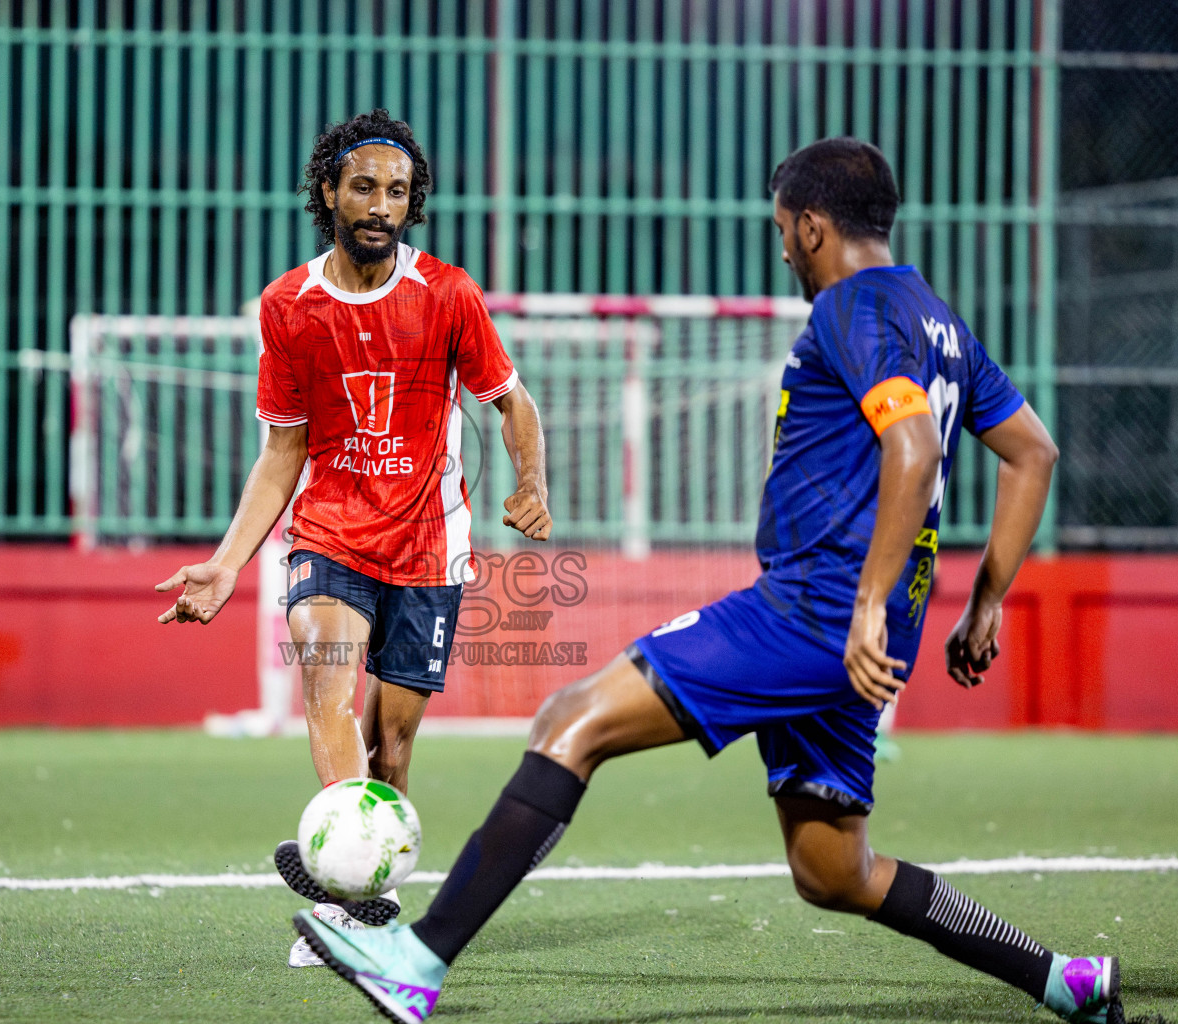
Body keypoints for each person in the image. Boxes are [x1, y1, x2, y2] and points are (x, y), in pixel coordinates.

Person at [293, 137, 1120, 1024]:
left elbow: (913, 449)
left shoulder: (853, 309)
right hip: (868, 629)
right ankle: (1061, 978)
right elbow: (1031, 452)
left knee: (571, 721)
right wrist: (983, 604)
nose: (781, 250)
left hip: (815, 613)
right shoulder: (938, 320)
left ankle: (414, 960)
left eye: (782, 231)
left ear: (810, 226)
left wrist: (867, 606)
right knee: (833, 870)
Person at [155, 109, 551, 968]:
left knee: (393, 744)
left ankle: (367, 890)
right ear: (328, 190)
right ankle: (356, 899)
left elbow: (512, 404)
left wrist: (532, 483)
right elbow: (283, 449)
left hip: (427, 545)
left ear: (414, 206)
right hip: (330, 534)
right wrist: (227, 565)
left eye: (398, 192)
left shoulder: (449, 294)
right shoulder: (288, 307)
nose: (380, 204)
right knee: (328, 692)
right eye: (364, 186)